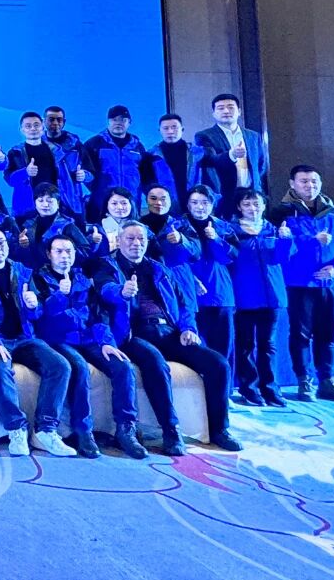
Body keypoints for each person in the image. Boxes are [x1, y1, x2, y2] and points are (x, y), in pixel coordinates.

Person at [95, 221, 241, 453]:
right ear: (119, 241)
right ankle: (170, 430)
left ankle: (219, 429)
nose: (136, 243)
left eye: (141, 239)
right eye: (130, 239)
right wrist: (122, 292)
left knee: (218, 363)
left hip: (168, 331)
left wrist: (188, 329)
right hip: (132, 335)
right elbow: (105, 292)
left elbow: (184, 304)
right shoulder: (107, 266)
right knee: (155, 362)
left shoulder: (159, 268)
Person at [0, 225, 76, 457]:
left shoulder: (21, 270)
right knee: (0, 366)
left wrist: (33, 306)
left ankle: (45, 429)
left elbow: (37, 312)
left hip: (24, 337)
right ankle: (16, 428)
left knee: (60, 365)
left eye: (1, 242)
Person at [31, 235, 148, 459]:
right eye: (59, 251)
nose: (64, 256)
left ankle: (126, 429)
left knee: (122, 365)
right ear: (49, 254)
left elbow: (99, 316)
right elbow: (40, 318)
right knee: (80, 368)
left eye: (69, 251)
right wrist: (60, 295)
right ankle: (83, 431)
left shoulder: (83, 279)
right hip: (58, 340)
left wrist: (106, 342)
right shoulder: (38, 278)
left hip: (88, 338)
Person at [272, 164, 334, 402]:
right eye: (304, 181)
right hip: (299, 284)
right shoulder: (281, 214)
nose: (310, 186)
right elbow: (279, 247)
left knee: (328, 335)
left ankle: (327, 382)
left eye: (314, 181)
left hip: (331, 284)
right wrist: (311, 240)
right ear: (292, 184)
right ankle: (304, 381)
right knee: (300, 335)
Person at [229, 189, 292, 407]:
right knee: (245, 344)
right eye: (247, 204)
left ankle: (271, 388)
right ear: (239, 207)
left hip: (271, 296)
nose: (252, 208)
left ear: (264, 206)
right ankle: (249, 388)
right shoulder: (231, 231)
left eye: (257, 204)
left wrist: (285, 240)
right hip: (243, 296)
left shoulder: (273, 229)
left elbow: (282, 259)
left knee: (268, 345)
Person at [183, 184, 238, 361]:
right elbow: (172, 262)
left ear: (212, 204)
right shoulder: (177, 227)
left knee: (223, 351)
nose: (200, 207)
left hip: (220, 294)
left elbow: (230, 258)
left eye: (205, 202)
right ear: (188, 204)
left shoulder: (223, 227)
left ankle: (225, 380)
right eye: (195, 202)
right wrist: (191, 280)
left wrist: (215, 238)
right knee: (193, 350)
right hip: (190, 296)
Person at [5, 111, 90, 222]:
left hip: (58, 208)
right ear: (21, 130)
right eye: (28, 126)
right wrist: (25, 172)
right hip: (27, 211)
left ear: (43, 127)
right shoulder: (15, 153)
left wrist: (83, 175)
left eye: (36, 125)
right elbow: (10, 180)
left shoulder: (58, 151)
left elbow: (69, 177)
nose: (33, 129)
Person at [194, 93, 270, 214]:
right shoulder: (204, 136)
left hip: (251, 195)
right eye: (220, 108)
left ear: (239, 111)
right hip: (224, 195)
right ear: (214, 113)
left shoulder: (253, 136)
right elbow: (210, 159)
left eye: (230, 107)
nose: (226, 111)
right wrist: (231, 155)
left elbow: (261, 165)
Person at [83, 105, 147, 222]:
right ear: (108, 122)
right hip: (101, 205)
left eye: (123, 120)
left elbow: (145, 176)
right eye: (114, 119)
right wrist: (99, 191)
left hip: (130, 204)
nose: (118, 123)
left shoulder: (138, 147)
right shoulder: (94, 144)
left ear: (129, 122)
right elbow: (87, 173)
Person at [146, 114, 207, 208]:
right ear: (159, 131)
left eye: (174, 127)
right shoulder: (151, 156)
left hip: (196, 206)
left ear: (182, 129)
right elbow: (146, 184)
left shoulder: (198, 153)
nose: (170, 131)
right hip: (164, 207)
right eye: (166, 128)